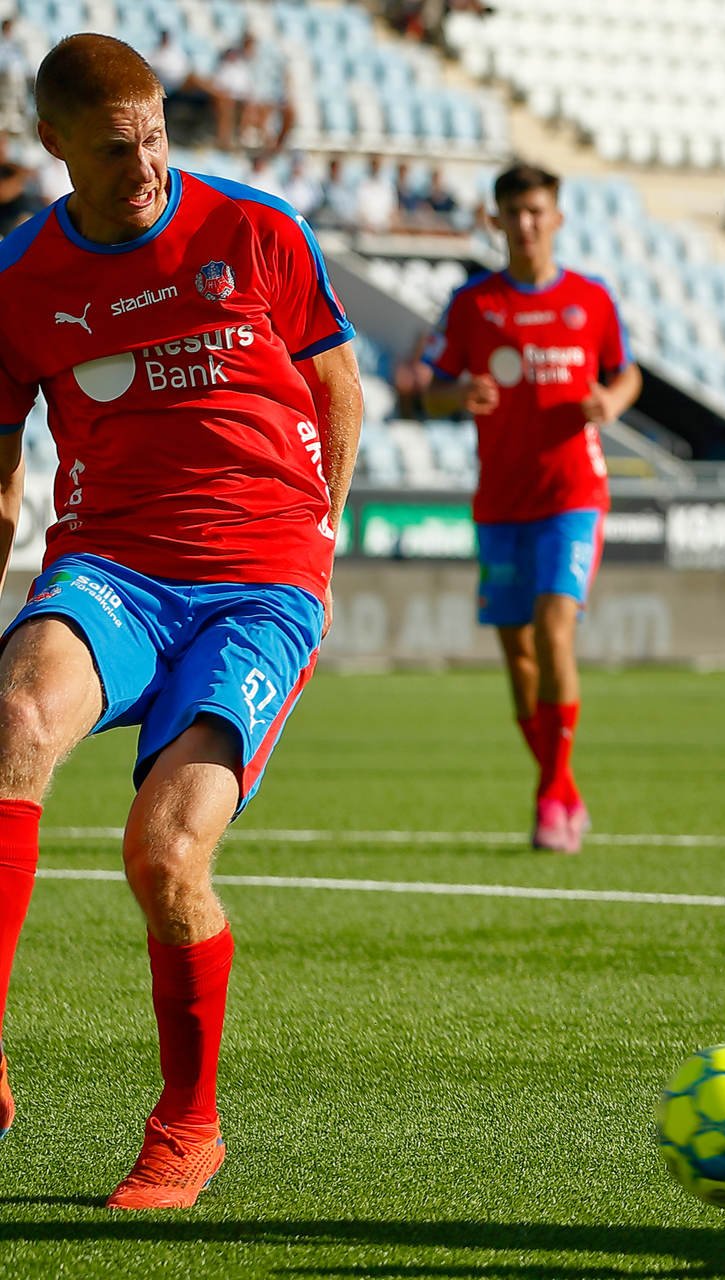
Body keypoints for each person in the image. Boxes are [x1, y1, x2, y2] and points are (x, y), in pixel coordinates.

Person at [0, 34, 361, 1208]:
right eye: (118, 147)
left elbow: (336, 378)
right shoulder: (19, 281)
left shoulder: (256, 229)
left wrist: (322, 532)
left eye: (157, 134)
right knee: (14, 714)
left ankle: (188, 1125)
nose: (147, 164)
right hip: (113, 566)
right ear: (53, 143)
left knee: (164, 853)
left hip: (260, 581)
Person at [423, 163, 640, 853]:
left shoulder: (591, 299)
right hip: (501, 500)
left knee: (554, 629)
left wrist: (612, 401)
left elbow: (626, 371)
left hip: (574, 491)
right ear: (496, 220)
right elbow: (429, 388)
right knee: (519, 657)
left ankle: (551, 797)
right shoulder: (473, 304)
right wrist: (459, 397)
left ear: (558, 218)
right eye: (514, 212)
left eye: (538, 211)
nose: (526, 224)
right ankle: (562, 784)